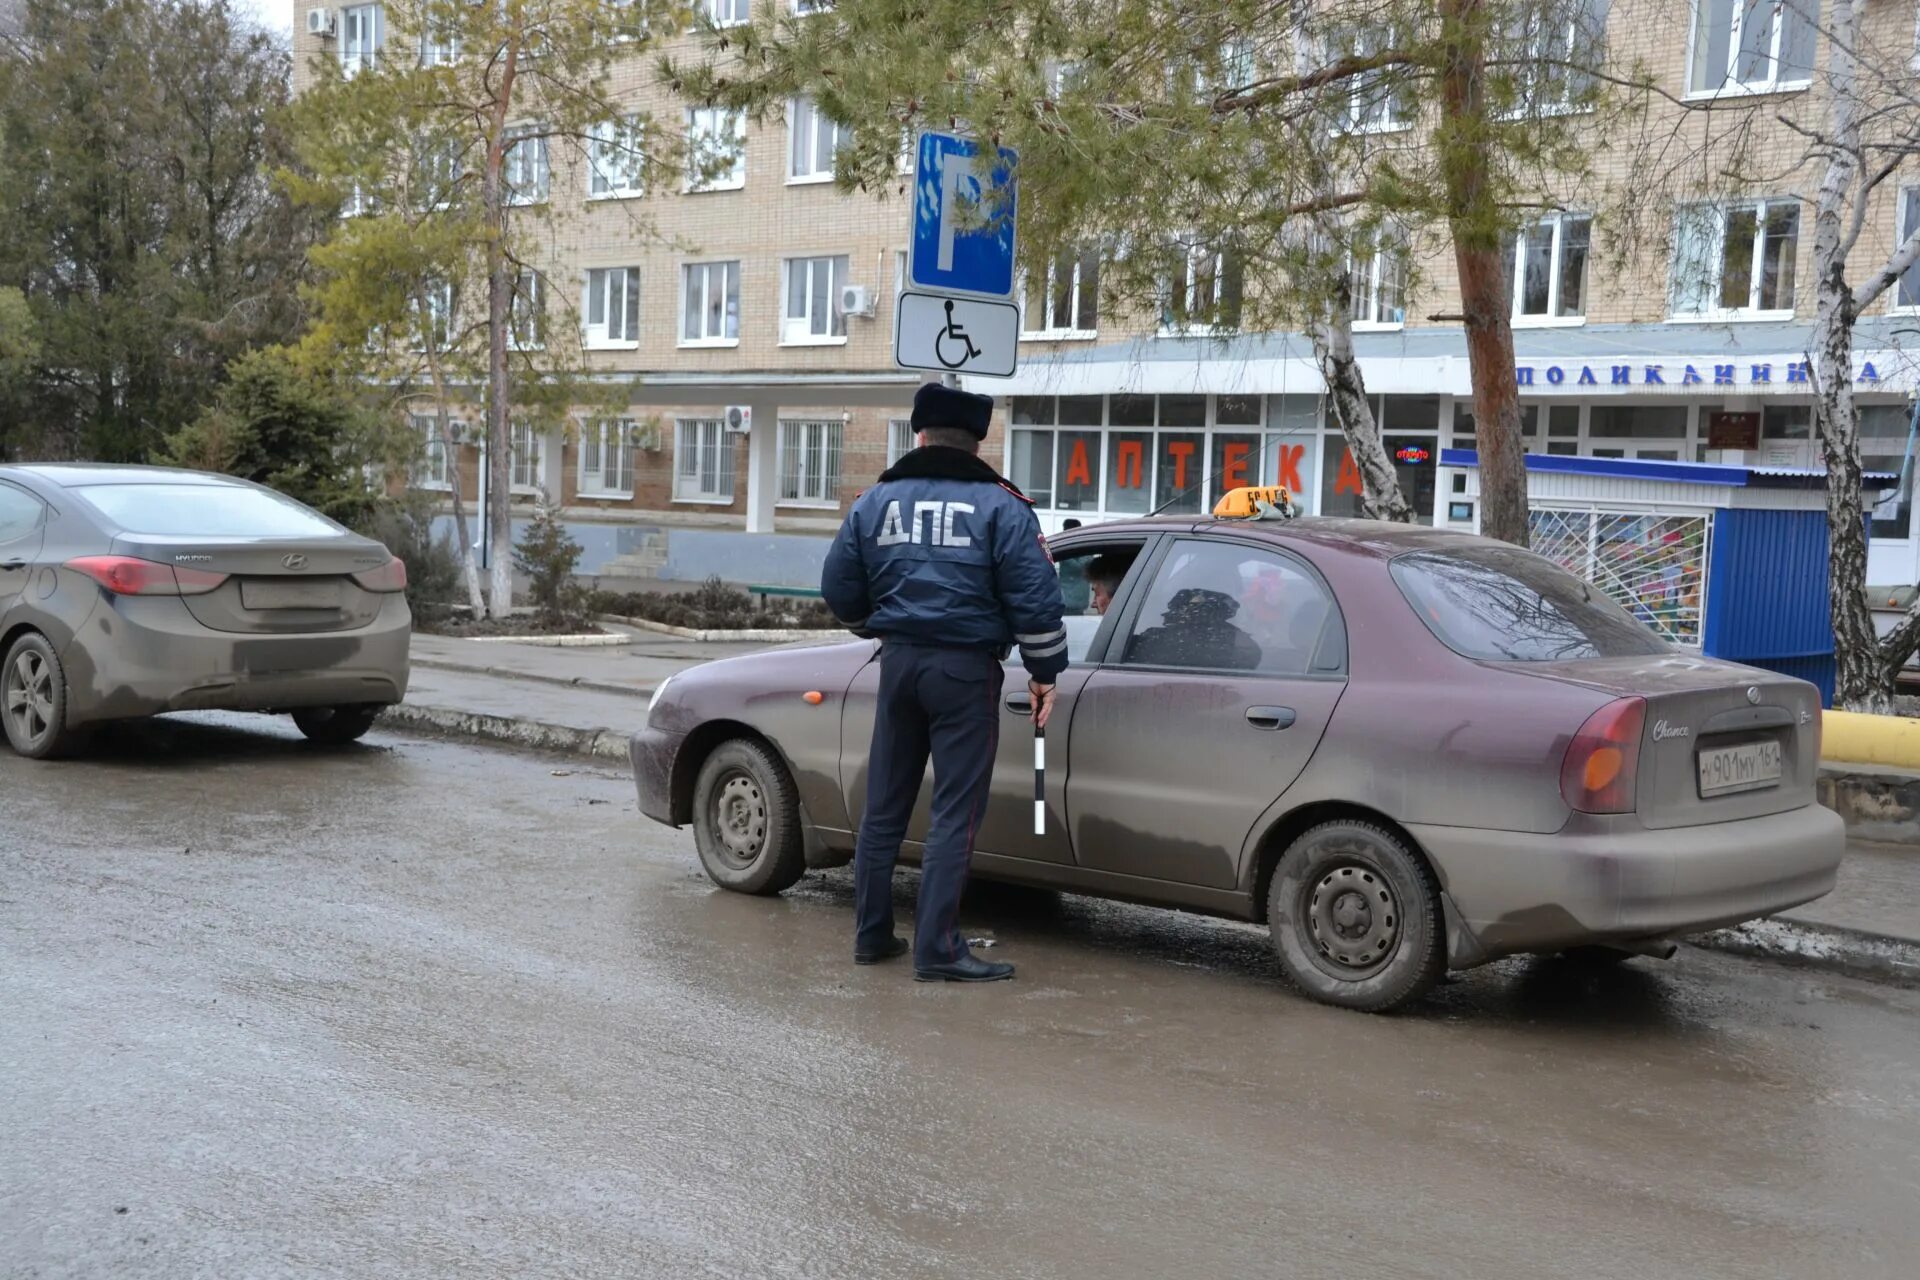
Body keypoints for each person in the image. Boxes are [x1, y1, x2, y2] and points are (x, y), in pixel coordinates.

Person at [821, 382, 1067, 983]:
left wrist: (876, 628)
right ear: (979, 442)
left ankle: (872, 937)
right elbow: (1037, 602)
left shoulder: (874, 501)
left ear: (919, 434)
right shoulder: (1003, 507)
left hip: (899, 665)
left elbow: (838, 589)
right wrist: (1043, 675)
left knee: (884, 808)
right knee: (955, 812)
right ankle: (937, 949)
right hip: (964, 672)